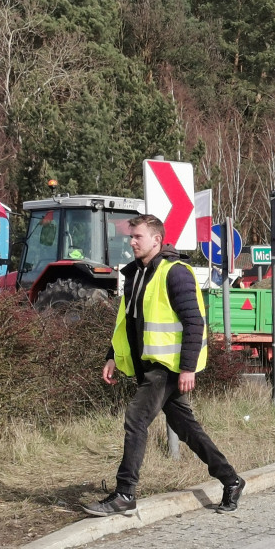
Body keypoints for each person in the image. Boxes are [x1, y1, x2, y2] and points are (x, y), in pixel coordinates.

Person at [83, 214, 245, 517]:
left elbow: (195, 322)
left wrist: (187, 369)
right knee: (186, 428)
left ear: (157, 240)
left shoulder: (176, 273)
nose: (131, 242)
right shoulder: (134, 274)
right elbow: (127, 321)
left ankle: (125, 493)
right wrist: (111, 355)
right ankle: (231, 479)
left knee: (136, 418)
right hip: (147, 365)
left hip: (167, 367)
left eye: (138, 237)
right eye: (131, 237)